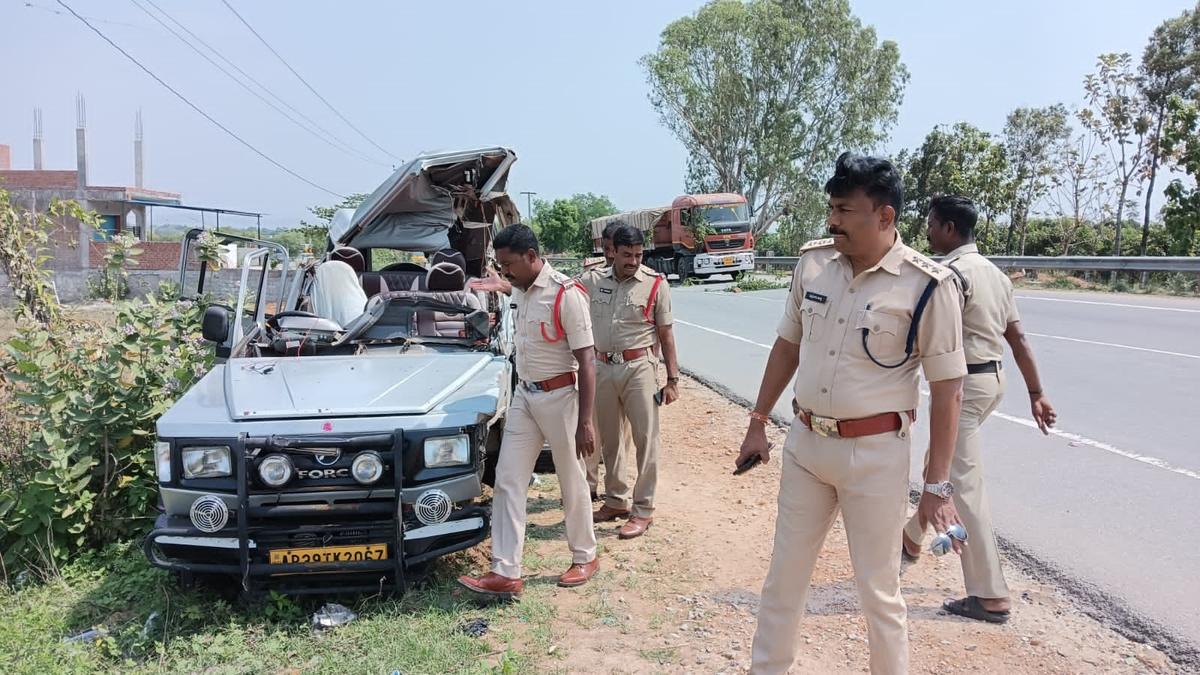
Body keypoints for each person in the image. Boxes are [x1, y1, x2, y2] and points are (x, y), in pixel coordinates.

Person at [734, 152, 968, 675]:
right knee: (783, 579)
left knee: (879, 591)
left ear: (885, 216)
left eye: (844, 210)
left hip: (875, 456)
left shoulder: (927, 285)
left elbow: (948, 389)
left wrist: (937, 485)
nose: (832, 220)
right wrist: (757, 422)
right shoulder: (814, 264)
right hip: (806, 447)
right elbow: (787, 347)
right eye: (831, 208)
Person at [902, 195, 1058, 624]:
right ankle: (912, 537)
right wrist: (1036, 392)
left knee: (961, 486)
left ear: (949, 228)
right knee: (939, 464)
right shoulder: (994, 274)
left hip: (964, 389)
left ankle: (990, 596)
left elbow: (928, 338)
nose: (928, 230)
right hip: (993, 382)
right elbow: (1018, 338)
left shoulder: (950, 276)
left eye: (932, 223)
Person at [458, 224, 600, 598]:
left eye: (509, 265)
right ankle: (505, 571)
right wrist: (502, 285)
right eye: (501, 266)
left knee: (571, 479)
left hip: (561, 398)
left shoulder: (566, 294)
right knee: (508, 478)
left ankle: (585, 556)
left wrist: (586, 421)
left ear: (532, 257)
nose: (505, 272)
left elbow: (587, 360)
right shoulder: (520, 289)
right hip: (525, 395)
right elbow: (516, 291)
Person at [578, 224, 680, 539]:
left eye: (638, 255)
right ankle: (616, 500)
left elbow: (666, 334)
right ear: (613, 253)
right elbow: (560, 295)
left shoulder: (655, 284)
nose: (633, 261)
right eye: (627, 255)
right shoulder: (593, 281)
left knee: (645, 440)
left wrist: (672, 379)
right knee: (610, 440)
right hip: (603, 367)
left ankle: (643, 510)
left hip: (639, 369)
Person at [580, 221, 637, 502]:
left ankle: (617, 490)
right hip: (598, 366)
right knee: (592, 427)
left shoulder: (642, 280)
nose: (608, 253)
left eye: (612, 248)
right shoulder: (591, 280)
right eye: (605, 248)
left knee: (623, 435)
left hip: (630, 368)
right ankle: (589, 486)